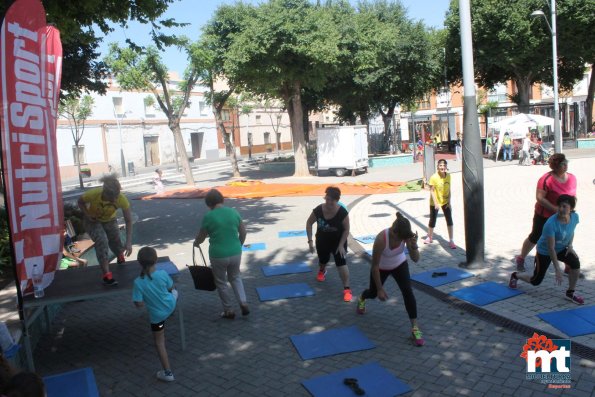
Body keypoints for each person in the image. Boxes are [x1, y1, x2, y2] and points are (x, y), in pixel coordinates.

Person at [355, 212, 424, 346]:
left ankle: (415, 328)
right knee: (373, 293)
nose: (399, 241)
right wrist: (380, 289)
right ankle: (363, 297)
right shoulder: (382, 239)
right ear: (394, 231)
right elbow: (374, 266)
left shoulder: (405, 236)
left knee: (407, 291)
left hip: (399, 264)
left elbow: (415, 259)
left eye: (402, 239)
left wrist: (414, 246)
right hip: (381, 268)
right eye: (398, 238)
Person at [509, 195, 583, 305]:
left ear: (571, 209)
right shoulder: (551, 224)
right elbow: (551, 249)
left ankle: (570, 292)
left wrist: (570, 246)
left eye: (564, 206)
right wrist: (557, 269)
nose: (561, 209)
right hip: (545, 251)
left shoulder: (575, 217)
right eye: (559, 206)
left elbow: (571, 231)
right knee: (536, 280)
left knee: (575, 264)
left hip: (562, 248)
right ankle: (515, 275)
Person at [513, 153, 577, 272]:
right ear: (556, 166)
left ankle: (569, 264)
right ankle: (521, 258)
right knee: (535, 236)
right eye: (563, 164)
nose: (566, 165)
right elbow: (540, 198)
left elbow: (573, 197)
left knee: (565, 237)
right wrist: (555, 209)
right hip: (544, 215)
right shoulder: (546, 179)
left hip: (564, 215)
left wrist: (571, 211)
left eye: (566, 162)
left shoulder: (572, 178)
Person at [194, 189, 249, 319]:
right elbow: (244, 233)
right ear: (222, 199)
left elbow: (201, 237)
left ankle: (229, 310)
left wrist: (196, 243)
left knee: (221, 282)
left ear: (208, 204)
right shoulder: (233, 212)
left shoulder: (209, 216)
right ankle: (243, 302)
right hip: (235, 251)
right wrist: (238, 245)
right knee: (235, 277)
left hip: (218, 254)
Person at [132, 246, 178, 382]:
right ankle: (172, 312)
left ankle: (168, 373)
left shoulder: (138, 283)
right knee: (175, 292)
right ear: (156, 260)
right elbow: (171, 288)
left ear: (139, 263)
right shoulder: (163, 274)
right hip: (171, 304)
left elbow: (139, 305)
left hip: (157, 318)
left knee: (159, 342)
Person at [77, 174, 133, 285]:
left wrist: (129, 242)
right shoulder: (94, 194)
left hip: (109, 220)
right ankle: (106, 275)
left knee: (115, 239)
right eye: (111, 198)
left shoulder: (122, 199)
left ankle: (119, 255)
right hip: (92, 220)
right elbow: (80, 201)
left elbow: (128, 221)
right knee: (102, 241)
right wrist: (87, 214)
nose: (114, 200)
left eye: (116, 197)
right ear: (104, 193)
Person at [306, 186, 352, 302]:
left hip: (338, 241)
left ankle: (347, 289)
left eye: (332, 200)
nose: (329, 202)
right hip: (322, 240)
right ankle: (322, 270)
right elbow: (309, 223)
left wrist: (341, 245)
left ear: (337, 200)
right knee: (323, 259)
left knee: (341, 263)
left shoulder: (342, 212)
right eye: (327, 199)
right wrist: (310, 241)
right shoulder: (318, 210)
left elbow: (347, 230)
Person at [424, 159, 456, 249]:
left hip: (446, 202)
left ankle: (451, 240)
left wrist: (449, 201)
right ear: (438, 166)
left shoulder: (449, 176)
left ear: (446, 167)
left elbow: (449, 189)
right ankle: (429, 237)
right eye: (440, 165)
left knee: (449, 220)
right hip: (435, 202)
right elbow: (432, 191)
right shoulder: (434, 177)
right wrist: (436, 203)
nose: (442, 167)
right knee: (432, 220)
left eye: (444, 165)